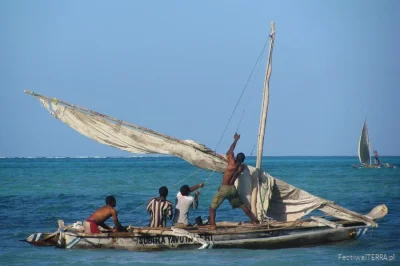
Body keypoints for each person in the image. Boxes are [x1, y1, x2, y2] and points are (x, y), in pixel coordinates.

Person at [209, 132, 259, 229]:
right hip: (233, 189)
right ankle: (254, 220)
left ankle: (212, 225)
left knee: (212, 208)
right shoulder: (242, 168)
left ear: (236, 157)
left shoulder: (231, 163)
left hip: (224, 189)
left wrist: (235, 140)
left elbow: (230, 151)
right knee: (242, 205)